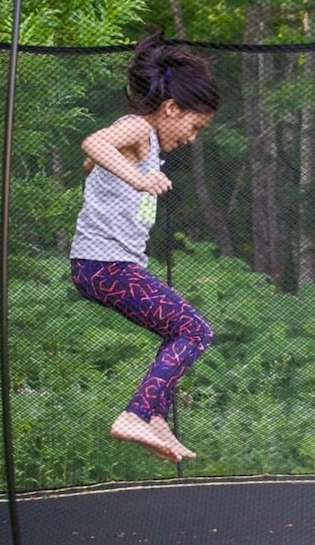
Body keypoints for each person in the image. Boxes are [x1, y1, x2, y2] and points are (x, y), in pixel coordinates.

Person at [69, 30, 219, 463]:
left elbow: (95, 157)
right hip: (104, 265)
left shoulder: (141, 140)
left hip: (111, 265)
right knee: (195, 330)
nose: (193, 137)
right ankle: (138, 413)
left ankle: (151, 415)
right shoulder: (138, 127)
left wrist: (112, 165)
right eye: (194, 126)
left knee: (184, 329)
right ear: (171, 108)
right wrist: (140, 179)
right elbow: (93, 144)